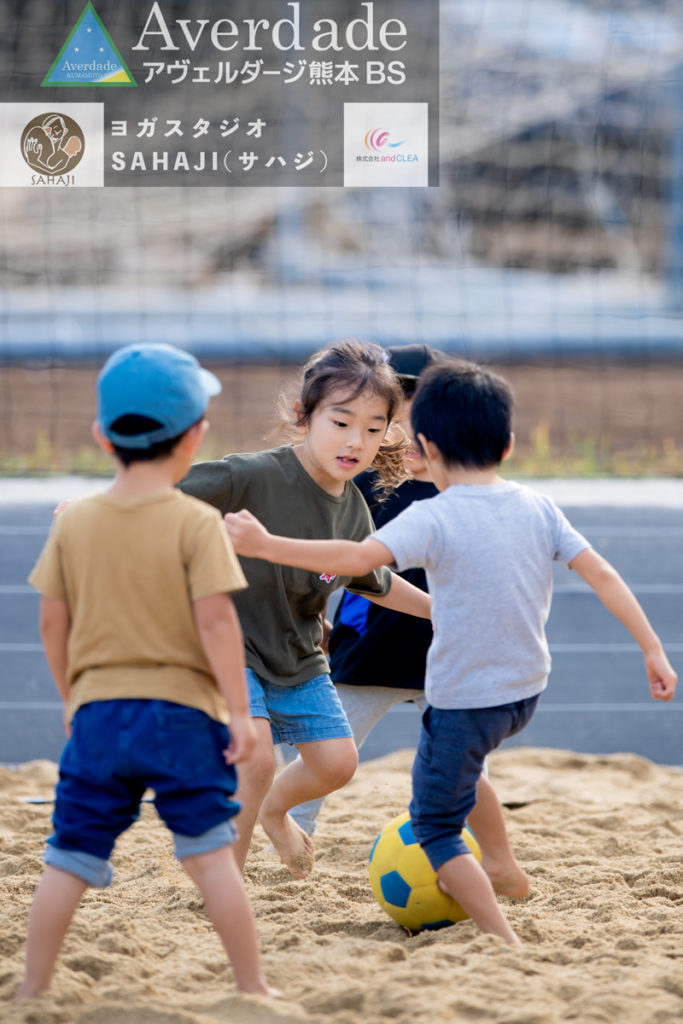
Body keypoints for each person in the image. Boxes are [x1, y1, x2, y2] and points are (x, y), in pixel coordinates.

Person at [223, 359, 678, 946]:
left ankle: (500, 931)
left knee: (436, 825)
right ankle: (501, 863)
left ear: (423, 446)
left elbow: (357, 562)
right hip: (520, 694)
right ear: (509, 444)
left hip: (460, 695)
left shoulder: (432, 517)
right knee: (462, 771)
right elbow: (604, 573)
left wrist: (264, 543)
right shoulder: (538, 505)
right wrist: (653, 649)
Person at [18, 343, 273, 1000]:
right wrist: (240, 714)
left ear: (103, 436)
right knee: (210, 856)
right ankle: (251, 989)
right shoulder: (196, 523)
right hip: (182, 716)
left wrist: (73, 697)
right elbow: (218, 624)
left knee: (69, 857)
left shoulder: (73, 523)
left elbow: (53, 624)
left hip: (100, 716)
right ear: (196, 438)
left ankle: (32, 990)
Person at [179, 339, 431, 880]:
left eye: (372, 427)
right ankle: (225, 884)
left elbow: (374, 582)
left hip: (295, 654)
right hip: (226, 643)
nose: (355, 440)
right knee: (255, 758)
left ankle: (274, 809)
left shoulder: (354, 510)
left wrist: (444, 612)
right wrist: (97, 510)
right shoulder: (250, 475)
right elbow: (159, 493)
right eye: (340, 423)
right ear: (304, 416)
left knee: (338, 763)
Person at [283, 344, 442, 836]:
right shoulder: (361, 487)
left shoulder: (464, 492)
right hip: (367, 652)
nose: (412, 438)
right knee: (326, 757)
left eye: (429, 425)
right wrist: (318, 617)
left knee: (459, 764)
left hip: (445, 654)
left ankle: (464, 847)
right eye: (395, 426)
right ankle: (288, 831)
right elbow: (333, 563)